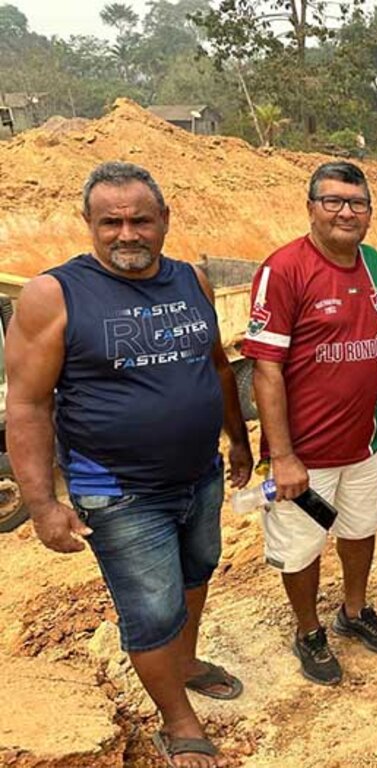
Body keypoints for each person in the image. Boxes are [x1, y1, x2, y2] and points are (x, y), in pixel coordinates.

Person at [5, 161, 253, 768]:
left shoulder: (190, 279)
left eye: (140, 220)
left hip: (199, 474)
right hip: (117, 492)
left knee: (198, 571)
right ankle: (180, 721)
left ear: (164, 220)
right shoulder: (54, 295)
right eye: (110, 222)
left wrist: (237, 438)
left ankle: (186, 660)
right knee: (152, 607)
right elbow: (28, 406)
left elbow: (217, 366)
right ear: (87, 224)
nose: (126, 234)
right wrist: (42, 506)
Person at [241, 161, 377, 687]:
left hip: (365, 441)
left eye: (357, 203)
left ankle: (353, 612)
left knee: (360, 530)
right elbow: (265, 369)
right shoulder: (283, 270)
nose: (345, 212)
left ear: (370, 213)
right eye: (332, 201)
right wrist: (282, 455)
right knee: (302, 548)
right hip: (303, 456)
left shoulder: (376, 264)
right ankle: (309, 630)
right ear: (310, 207)